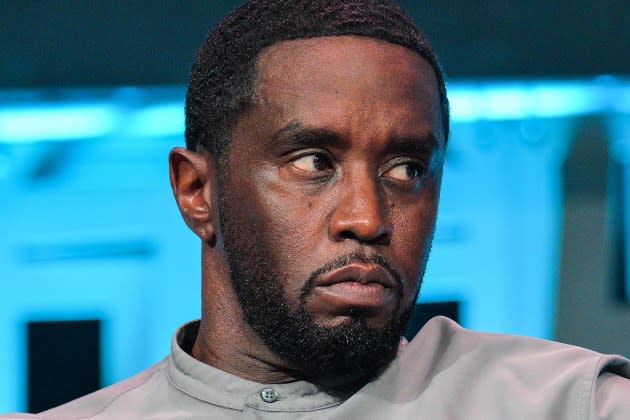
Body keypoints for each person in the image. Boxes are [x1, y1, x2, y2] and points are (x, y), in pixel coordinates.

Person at [4, 0, 629, 418]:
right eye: (313, 162)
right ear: (197, 192)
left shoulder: (563, 405)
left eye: (406, 169)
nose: (367, 217)